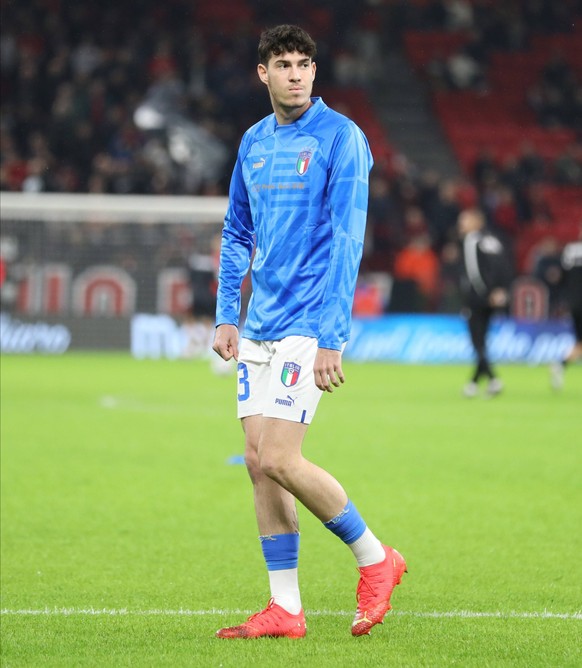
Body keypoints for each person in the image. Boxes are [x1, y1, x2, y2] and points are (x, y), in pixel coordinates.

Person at [211, 24, 406, 639]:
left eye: (304, 64)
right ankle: (286, 609)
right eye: (283, 64)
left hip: (307, 324)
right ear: (263, 74)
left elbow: (349, 238)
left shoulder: (342, 138)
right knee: (255, 461)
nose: (295, 74)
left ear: (314, 73)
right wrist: (225, 313)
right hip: (260, 324)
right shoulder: (253, 142)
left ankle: (377, 558)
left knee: (279, 456)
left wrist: (332, 336)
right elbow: (237, 230)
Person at [457, 208, 513, 397]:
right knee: (481, 342)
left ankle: (494, 380)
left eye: (464, 220)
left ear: (476, 222)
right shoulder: (493, 241)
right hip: (495, 297)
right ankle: (473, 384)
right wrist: (502, 291)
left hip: (478, 298)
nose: (461, 224)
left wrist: (487, 293)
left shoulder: (471, 240)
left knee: (477, 342)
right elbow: (506, 266)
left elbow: (474, 273)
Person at [550, 233, 582, 389]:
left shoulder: (570, 249)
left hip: (573, 303)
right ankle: (560, 365)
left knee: (580, 343)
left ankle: (560, 365)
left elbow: (558, 276)